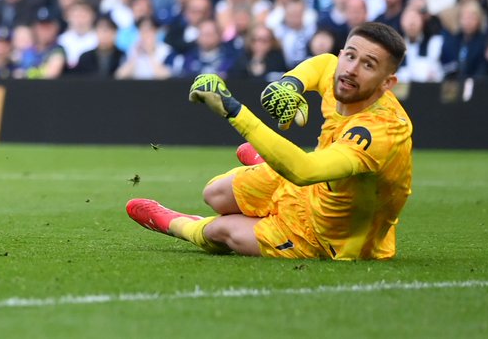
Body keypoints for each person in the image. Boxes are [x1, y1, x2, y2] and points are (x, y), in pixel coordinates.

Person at [126, 22, 412, 260]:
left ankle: (177, 224)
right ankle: (271, 161)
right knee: (214, 194)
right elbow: (323, 64)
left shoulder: (381, 132)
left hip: (330, 238)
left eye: (368, 65)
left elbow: (305, 171)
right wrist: (290, 85)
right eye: (350, 56)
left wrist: (233, 110)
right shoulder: (338, 72)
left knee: (221, 230)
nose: (351, 69)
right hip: (308, 189)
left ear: (387, 83)